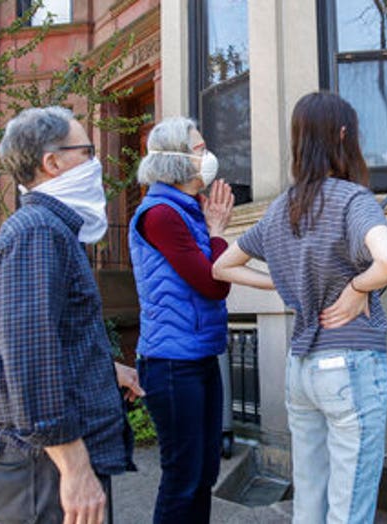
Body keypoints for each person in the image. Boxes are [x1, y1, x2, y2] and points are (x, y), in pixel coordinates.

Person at [213, 91, 387, 524]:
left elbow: (222, 266)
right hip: (350, 365)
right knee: (349, 506)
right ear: (343, 135)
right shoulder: (352, 200)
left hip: (301, 370)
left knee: (309, 503)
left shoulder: (281, 207)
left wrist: (281, 285)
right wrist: (358, 286)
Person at [0, 106, 144, 524]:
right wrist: (75, 470)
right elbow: (30, 364)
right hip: (45, 471)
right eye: (87, 151)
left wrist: (105, 369)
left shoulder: (50, 229)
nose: (96, 163)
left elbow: (47, 340)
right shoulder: (38, 232)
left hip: (48, 466)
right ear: (52, 163)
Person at [128, 117, 235, 524]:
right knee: (183, 478)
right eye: (199, 149)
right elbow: (213, 282)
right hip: (172, 365)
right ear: (174, 160)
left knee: (204, 472)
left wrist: (211, 230)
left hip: (200, 356)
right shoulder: (160, 215)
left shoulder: (187, 211)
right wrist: (218, 231)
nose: (208, 157)